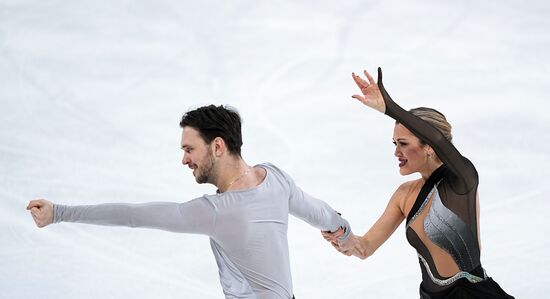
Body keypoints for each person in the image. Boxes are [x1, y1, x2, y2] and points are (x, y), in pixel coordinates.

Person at [27, 104, 353, 299]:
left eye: (189, 149)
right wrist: (343, 231)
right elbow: (318, 212)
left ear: (218, 146)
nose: (185, 160)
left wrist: (59, 213)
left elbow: (133, 215)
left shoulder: (218, 213)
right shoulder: (274, 178)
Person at [323, 68, 514, 299]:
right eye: (394, 143)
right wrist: (345, 239)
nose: (396, 152)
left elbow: (437, 137)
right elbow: (365, 247)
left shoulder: (461, 182)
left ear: (429, 146)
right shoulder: (404, 195)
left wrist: (389, 108)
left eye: (403, 143)